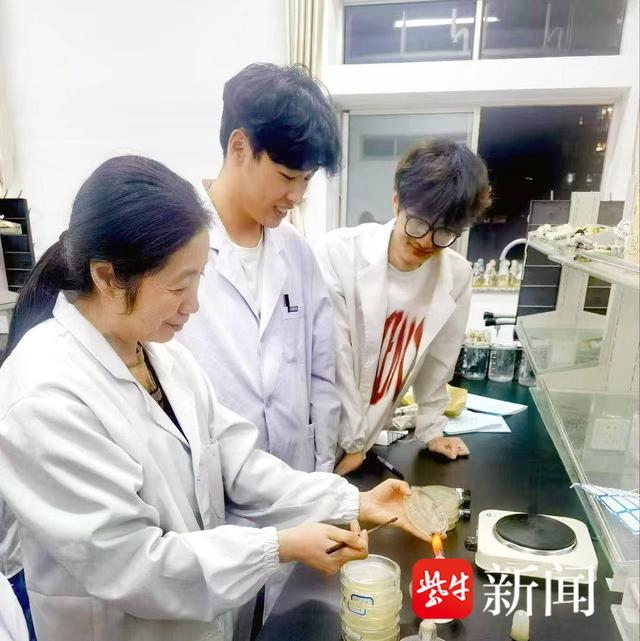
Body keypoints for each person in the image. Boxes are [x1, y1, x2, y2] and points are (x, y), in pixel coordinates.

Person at [0, 156, 428, 641]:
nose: (194, 304)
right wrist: (277, 547)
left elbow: (237, 464)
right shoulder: (45, 396)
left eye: (198, 279)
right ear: (108, 277)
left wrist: (352, 501)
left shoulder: (161, 356)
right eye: (178, 286)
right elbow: (134, 563)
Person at [177, 63, 341, 474]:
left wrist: (323, 474)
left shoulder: (297, 253)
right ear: (239, 148)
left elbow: (322, 373)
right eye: (287, 176)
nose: (297, 196)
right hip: (214, 482)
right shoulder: (173, 246)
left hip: (298, 478)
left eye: (307, 180)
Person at [316, 140, 492, 476]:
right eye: (419, 222)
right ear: (396, 200)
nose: (425, 241)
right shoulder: (339, 254)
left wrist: (431, 428)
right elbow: (333, 359)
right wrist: (352, 443)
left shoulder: (455, 276)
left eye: (444, 232)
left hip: (365, 439)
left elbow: (440, 359)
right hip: (323, 428)